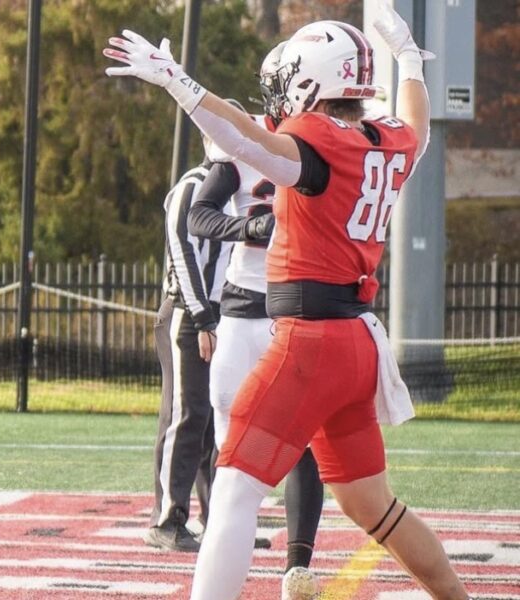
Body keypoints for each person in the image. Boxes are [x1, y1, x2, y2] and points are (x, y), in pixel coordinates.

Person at [105, 1, 472, 599]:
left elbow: (245, 138)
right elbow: (418, 125)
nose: (278, 96)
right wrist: (407, 58)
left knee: (233, 487)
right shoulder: (383, 139)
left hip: (310, 339)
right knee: (370, 503)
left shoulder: (318, 139)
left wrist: (176, 80)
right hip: (355, 340)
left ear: (312, 81)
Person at [187, 55, 325, 599]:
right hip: (246, 309)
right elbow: (200, 215)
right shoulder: (240, 152)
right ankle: (228, 565)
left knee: (307, 439)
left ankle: (298, 565)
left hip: (299, 308)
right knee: (231, 453)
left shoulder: (323, 146)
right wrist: (249, 225)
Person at [145, 156, 226, 552]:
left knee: (215, 421)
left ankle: (217, 520)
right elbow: (182, 248)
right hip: (187, 313)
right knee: (185, 414)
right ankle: (167, 520)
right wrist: (202, 315)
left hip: (221, 314)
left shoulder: (237, 188)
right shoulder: (192, 187)